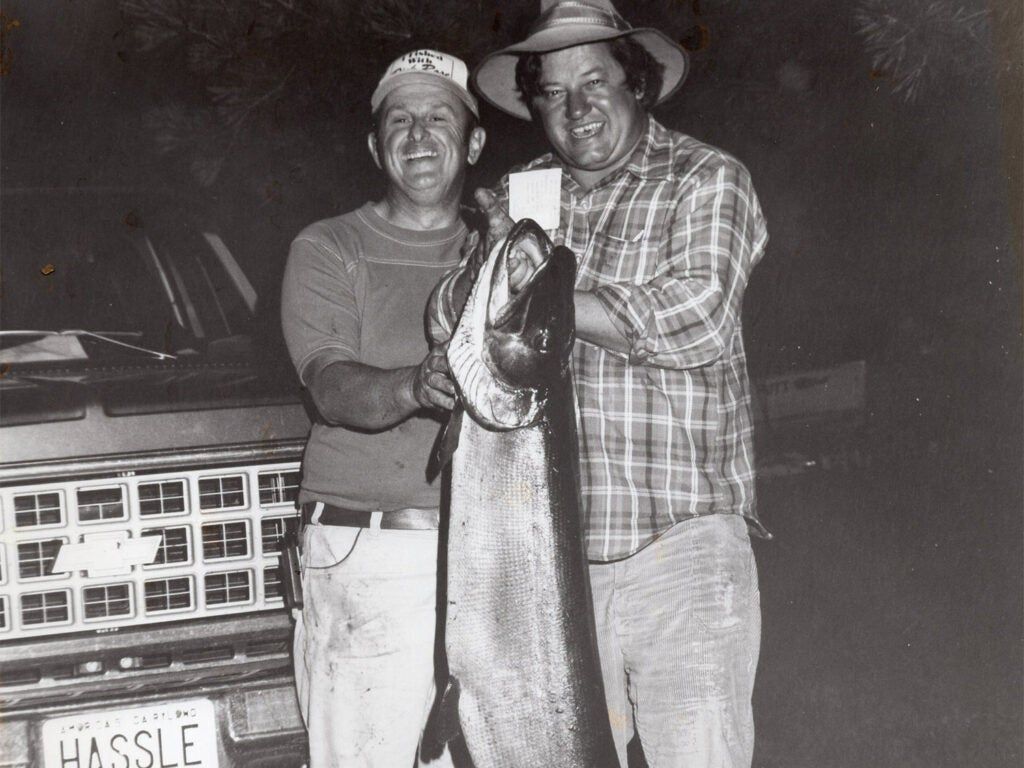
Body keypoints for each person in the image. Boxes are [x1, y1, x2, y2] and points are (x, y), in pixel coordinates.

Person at [428, 3, 768, 766]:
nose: (575, 109)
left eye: (594, 82)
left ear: (637, 84)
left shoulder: (707, 177)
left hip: (680, 549)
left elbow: (697, 317)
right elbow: (447, 318)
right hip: (551, 567)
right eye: (551, 91)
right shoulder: (523, 198)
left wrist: (535, 310)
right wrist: (483, 274)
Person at [281, 49, 485, 768]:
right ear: (375, 146)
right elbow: (331, 386)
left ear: (475, 141)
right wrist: (414, 386)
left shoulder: (507, 252)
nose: (419, 136)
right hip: (371, 553)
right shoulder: (330, 246)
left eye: (439, 117)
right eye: (399, 120)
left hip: (495, 558)